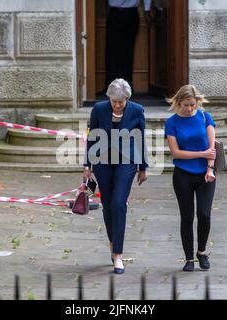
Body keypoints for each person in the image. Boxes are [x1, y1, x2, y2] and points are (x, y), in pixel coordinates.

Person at [84, 78, 148, 274]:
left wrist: (143, 166)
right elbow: (92, 136)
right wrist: (87, 165)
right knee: (108, 205)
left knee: (119, 202)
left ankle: (118, 255)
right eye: (115, 101)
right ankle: (113, 242)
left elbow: (141, 137)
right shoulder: (99, 109)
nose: (118, 105)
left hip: (126, 161)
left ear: (127, 98)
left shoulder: (137, 110)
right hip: (102, 161)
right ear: (109, 98)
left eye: (121, 101)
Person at [164, 84, 217, 272]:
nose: (189, 109)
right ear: (178, 103)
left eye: (193, 105)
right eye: (186, 105)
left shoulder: (205, 117)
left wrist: (209, 167)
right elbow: (176, 153)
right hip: (182, 175)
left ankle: (201, 253)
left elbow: (212, 150)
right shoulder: (171, 122)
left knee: (204, 214)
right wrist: (201, 154)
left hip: (205, 174)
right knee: (186, 217)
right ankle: (188, 258)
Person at [102, 0, 153, 94]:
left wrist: (147, 10)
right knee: (126, 52)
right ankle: (125, 86)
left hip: (119, 13)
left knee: (113, 52)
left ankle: (114, 86)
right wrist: (147, 10)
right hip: (129, 13)